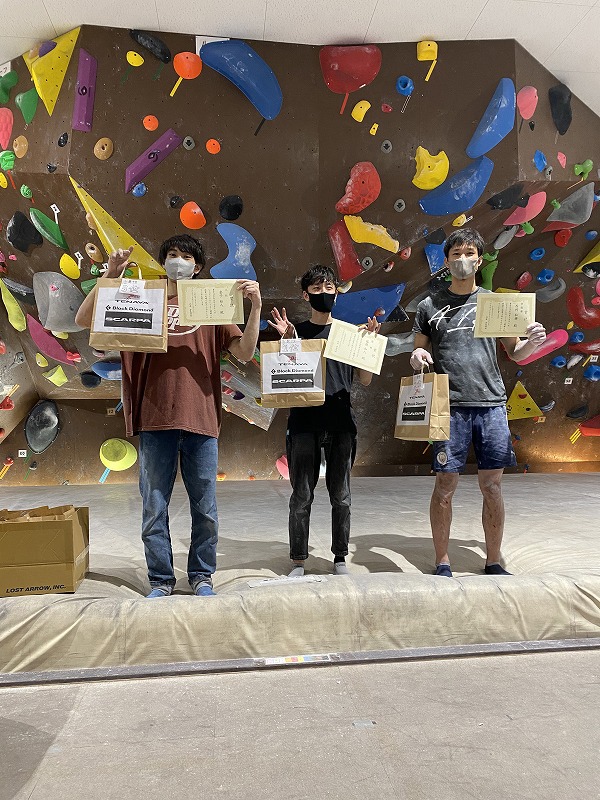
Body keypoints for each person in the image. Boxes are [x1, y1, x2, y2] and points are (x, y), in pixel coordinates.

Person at [75, 235, 262, 597]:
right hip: (154, 416)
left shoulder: (210, 301)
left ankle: (202, 575)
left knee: (205, 508)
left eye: (186, 257)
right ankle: (161, 579)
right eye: (172, 254)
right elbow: (84, 319)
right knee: (153, 505)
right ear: (163, 262)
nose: (179, 261)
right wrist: (110, 276)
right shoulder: (143, 295)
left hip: (201, 417)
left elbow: (244, 350)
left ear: (198, 267)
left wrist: (255, 307)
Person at [410, 228, 546, 578]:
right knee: (444, 487)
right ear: (446, 261)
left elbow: (516, 352)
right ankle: (442, 561)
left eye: (469, 253)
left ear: (479, 260)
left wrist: (533, 342)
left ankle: (493, 560)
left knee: (492, 486)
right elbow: (418, 349)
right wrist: (418, 356)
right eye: (456, 254)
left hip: (491, 405)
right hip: (448, 406)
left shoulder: (494, 304)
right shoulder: (428, 305)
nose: (462, 259)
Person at [269, 265, 380, 577]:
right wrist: (287, 341)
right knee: (301, 495)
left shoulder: (350, 333)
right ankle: (298, 560)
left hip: (341, 421)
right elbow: (283, 379)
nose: (324, 293)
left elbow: (365, 379)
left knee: (341, 495)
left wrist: (369, 345)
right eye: (316, 289)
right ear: (305, 295)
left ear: (337, 293)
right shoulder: (296, 333)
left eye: (329, 287)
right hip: (303, 422)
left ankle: (340, 558)